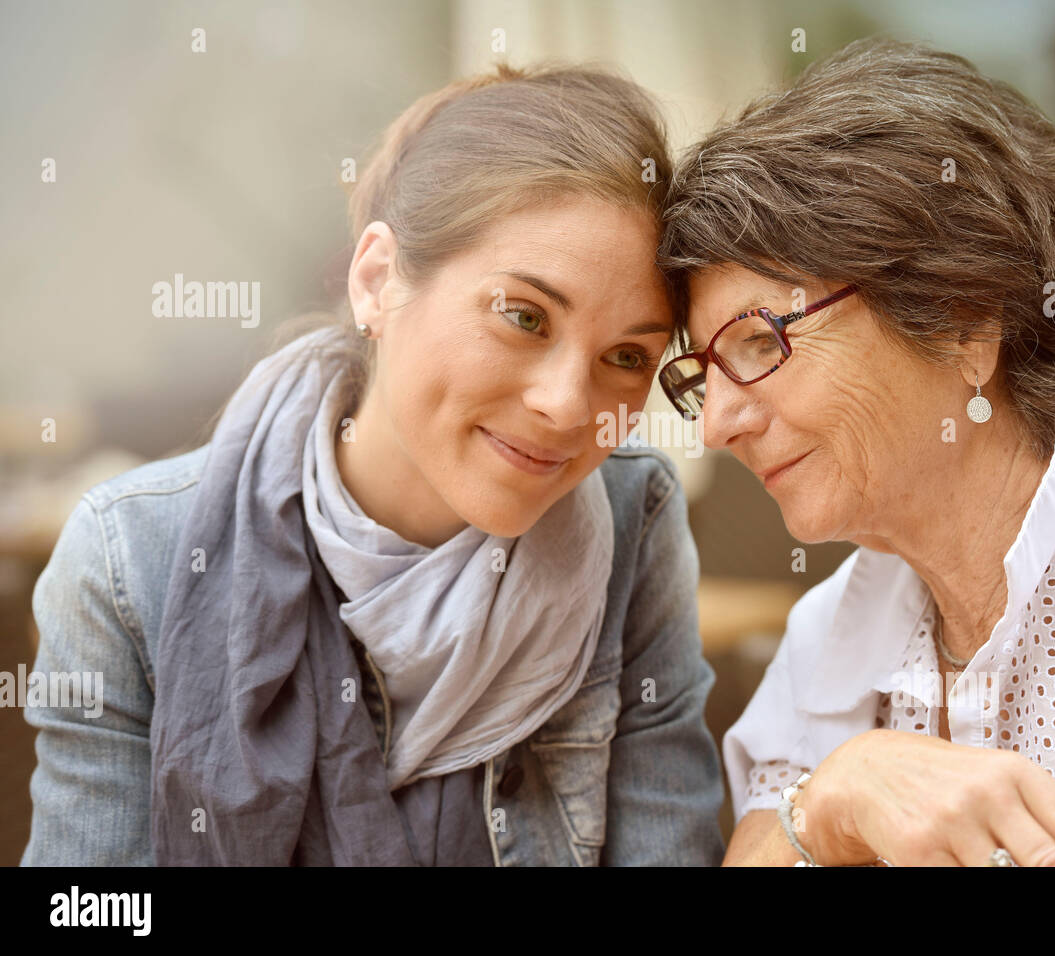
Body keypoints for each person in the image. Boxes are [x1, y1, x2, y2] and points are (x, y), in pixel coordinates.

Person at [22, 61, 725, 866]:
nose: (569, 405)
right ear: (376, 281)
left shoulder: (635, 523)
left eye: (627, 357)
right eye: (525, 316)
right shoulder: (128, 559)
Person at [657, 38, 1055, 866]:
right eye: (702, 372)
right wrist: (835, 799)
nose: (715, 424)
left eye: (757, 340)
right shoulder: (833, 627)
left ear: (962, 321)